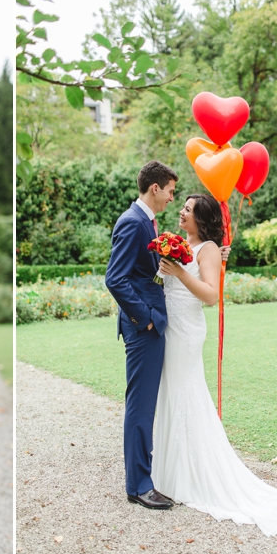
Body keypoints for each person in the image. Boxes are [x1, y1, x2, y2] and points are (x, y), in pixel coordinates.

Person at [152, 194, 277, 535]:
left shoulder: (209, 249)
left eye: (188, 209)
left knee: (185, 394)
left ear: (202, 218)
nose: (181, 212)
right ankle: (168, 469)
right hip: (171, 327)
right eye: (182, 206)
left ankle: (190, 473)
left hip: (186, 332)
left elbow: (212, 296)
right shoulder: (181, 244)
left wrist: (180, 273)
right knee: (170, 393)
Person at [105, 160, 178, 510]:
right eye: (170, 191)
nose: (171, 198)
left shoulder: (147, 222)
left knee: (145, 404)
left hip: (150, 323)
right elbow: (114, 279)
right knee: (140, 406)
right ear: (155, 188)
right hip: (142, 328)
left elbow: (141, 274)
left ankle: (142, 477)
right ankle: (139, 485)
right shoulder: (133, 223)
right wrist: (145, 318)